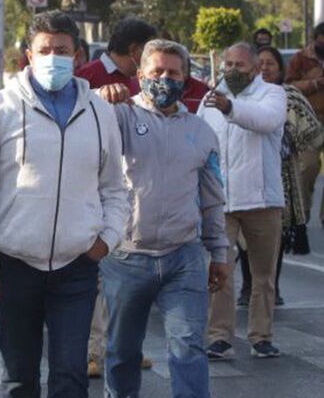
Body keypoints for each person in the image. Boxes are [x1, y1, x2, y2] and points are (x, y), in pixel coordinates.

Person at [0, 10, 129, 398]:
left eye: (62, 50)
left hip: (77, 267)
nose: (54, 58)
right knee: (20, 377)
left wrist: (107, 239)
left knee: (71, 375)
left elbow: (115, 188)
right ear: (28, 56)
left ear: (79, 55)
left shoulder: (100, 112)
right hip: (14, 266)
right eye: (45, 50)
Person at [94, 39, 231, 397]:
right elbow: (81, 123)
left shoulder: (201, 132)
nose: (165, 79)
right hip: (125, 257)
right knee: (121, 353)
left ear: (186, 79)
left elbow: (213, 199)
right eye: (157, 72)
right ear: (140, 75)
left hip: (183, 258)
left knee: (188, 348)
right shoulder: (118, 116)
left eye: (174, 73)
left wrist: (219, 254)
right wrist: (99, 96)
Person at [76, 20, 158, 378]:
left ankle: (126, 345)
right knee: (97, 280)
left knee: (128, 277)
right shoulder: (89, 76)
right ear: (136, 49)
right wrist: (98, 98)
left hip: (134, 191)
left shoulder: (145, 81)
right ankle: (94, 351)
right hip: (96, 190)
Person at [199, 42, 287, 360]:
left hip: (262, 200)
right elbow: (201, 141)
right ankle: (219, 337)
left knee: (263, 273)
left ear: (255, 68)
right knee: (220, 270)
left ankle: (261, 335)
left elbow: (265, 120)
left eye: (240, 65)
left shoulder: (273, 95)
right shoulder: (211, 99)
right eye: (229, 65)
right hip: (221, 202)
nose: (233, 71)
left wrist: (230, 108)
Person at [237, 47, 322, 307]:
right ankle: (248, 286)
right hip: (245, 173)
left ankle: (271, 287)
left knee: (276, 234)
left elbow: (312, 134)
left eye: (270, 63)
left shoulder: (291, 95)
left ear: (280, 68)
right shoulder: (238, 96)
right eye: (260, 63)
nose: (265, 68)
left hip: (281, 174)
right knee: (244, 233)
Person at [283, 21, 324, 225]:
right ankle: (302, 216)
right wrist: (315, 83)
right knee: (308, 166)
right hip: (309, 120)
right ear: (316, 40)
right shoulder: (301, 58)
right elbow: (290, 86)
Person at [76, 18, 157, 95]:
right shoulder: (86, 76)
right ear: (133, 48)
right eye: (148, 50)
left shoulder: (141, 81)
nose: (151, 56)